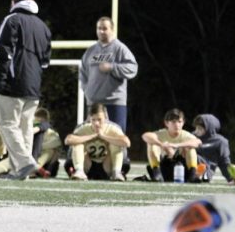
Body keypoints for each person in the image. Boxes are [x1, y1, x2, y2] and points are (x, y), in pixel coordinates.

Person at [0, 0, 52, 180]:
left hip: (13, 82)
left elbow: (3, 51)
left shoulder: (13, 19)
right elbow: (45, 62)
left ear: (14, 2)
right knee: (25, 126)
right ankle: (21, 171)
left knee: (7, 123)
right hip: (34, 85)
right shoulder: (43, 27)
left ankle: (25, 163)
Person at [79, 17, 138, 171]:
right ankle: (93, 169)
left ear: (112, 29)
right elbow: (83, 74)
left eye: (105, 28)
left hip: (114, 102)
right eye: (99, 28)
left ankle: (119, 168)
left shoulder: (120, 48)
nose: (101, 31)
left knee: (116, 137)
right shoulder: (91, 51)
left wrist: (112, 67)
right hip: (94, 102)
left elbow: (132, 68)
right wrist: (88, 91)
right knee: (93, 136)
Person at [64, 103, 130, 181]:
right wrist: (91, 136)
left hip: (107, 165)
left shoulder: (112, 128)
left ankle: (116, 172)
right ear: (89, 119)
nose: (96, 123)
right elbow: (68, 140)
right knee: (77, 144)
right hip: (88, 165)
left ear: (105, 118)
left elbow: (126, 143)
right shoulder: (84, 128)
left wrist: (104, 137)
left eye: (99, 119)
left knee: (115, 144)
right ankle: (79, 171)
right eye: (93, 120)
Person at [141, 108, 202, 182]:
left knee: (191, 148)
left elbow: (198, 142)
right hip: (164, 168)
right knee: (152, 145)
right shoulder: (162, 134)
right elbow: (145, 136)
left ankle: (193, 175)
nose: (177, 125)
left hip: (183, 169)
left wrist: (177, 145)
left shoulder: (185, 135)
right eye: (173, 122)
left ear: (183, 123)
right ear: (166, 123)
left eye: (179, 122)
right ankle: (156, 173)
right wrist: (162, 145)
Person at [192, 113, 233, 182]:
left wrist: (231, 178)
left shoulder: (220, 141)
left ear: (209, 128)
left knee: (196, 158)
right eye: (196, 128)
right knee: (190, 153)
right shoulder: (192, 137)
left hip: (206, 171)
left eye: (200, 128)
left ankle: (198, 176)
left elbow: (224, 162)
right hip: (190, 167)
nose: (196, 131)